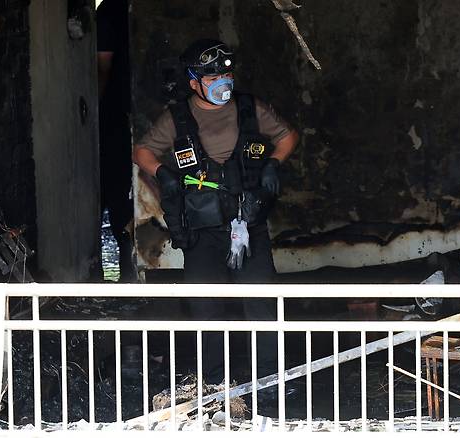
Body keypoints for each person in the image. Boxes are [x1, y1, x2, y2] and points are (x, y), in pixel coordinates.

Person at [132, 39, 299, 385]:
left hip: (248, 223)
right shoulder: (177, 117)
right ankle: (212, 381)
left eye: (226, 73)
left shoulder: (251, 109)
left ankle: (269, 379)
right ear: (194, 83)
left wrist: (272, 164)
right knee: (205, 304)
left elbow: (287, 137)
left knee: (261, 300)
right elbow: (143, 151)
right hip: (202, 229)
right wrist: (162, 172)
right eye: (212, 77)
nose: (223, 81)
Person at [97, 0, 134, 281]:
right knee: (123, 196)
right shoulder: (114, 12)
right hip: (123, 115)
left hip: (113, 117)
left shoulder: (108, 13)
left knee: (115, 191)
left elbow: (103, 67)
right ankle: (129, 270)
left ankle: (127, 272)